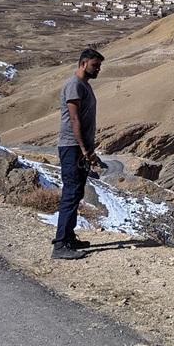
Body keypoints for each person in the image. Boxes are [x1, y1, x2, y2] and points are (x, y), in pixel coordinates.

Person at [51, 48, 105, 260]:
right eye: (95, 65)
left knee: (76, 193)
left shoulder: (84, 86)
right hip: (72, 147)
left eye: (99, 66)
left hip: (79, 147)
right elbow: (75, 120)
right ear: (83, 64)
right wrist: (84, 149)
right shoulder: (74, 85)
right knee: (71, 193)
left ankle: (69, 237)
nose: (98, 69)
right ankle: (60, 244)